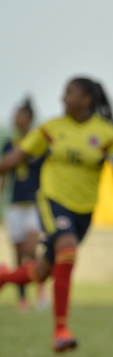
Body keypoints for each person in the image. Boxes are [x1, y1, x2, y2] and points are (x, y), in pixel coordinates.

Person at [0, 76, 113, 352]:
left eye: (69, 93)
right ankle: (61, 330)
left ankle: (5, 278)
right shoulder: (51, 129)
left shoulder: (107, 134)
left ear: (86, 99)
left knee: (43, 270)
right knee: (67, 249)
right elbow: (11, 161)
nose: (63, 98)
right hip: (52, 201)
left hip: (84, 211)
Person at [0, 97, 48, 311]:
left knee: (31, 247)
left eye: (19, 115)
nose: (15, 118)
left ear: (28, 118)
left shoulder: (39, 143)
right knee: (18, 253)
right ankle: (22, 298)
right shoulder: (10, 144)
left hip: (35, 203)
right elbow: (4, 174)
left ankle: (41, 282)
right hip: (15, 204)